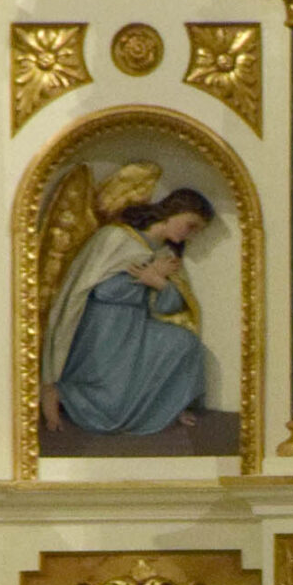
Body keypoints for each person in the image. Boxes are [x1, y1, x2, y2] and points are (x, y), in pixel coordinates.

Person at [41, 186, 214, 439]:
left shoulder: (166, 253)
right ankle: (60, 393)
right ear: (175, 211)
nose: (192, 235)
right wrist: (147, 275)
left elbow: (168, 306)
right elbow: (103, 291)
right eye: (191, 225)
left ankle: (167, 405)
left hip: (137, 326)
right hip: (103, 327)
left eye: (197, 231)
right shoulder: (115, 237)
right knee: (112, 404)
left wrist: (159, 283)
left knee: (185, 343)